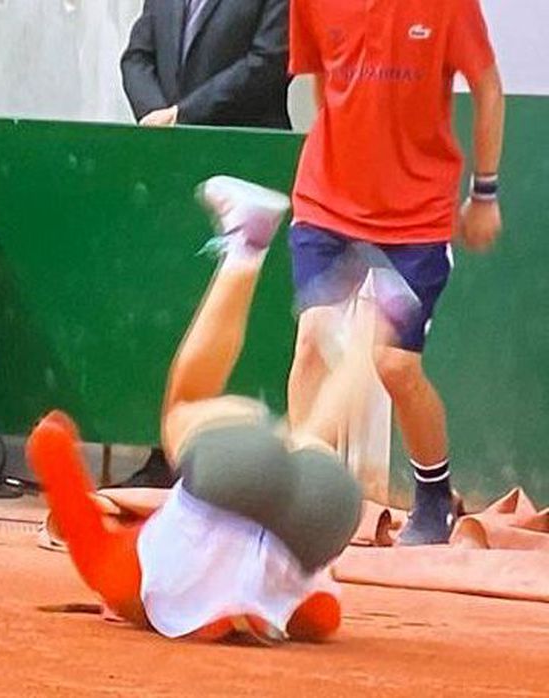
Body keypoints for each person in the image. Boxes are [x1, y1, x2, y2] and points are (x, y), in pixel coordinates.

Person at [26, 175, 411, 642]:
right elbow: (74, 509)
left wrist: (53, 447)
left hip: (317, 516)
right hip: (278, 503)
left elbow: (321, 616)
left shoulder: (119, 577)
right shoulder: (127, 567)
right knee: (193, 408)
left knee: (304, 438)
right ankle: (251, 248)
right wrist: (51, 446)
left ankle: (378, 316)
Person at [286, 0, 505, 544]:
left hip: (416, 216)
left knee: (393, 366)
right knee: (313, 339)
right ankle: (298, 501)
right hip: (325, 204)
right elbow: (323, 87)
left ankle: (434, 498)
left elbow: (488, 88)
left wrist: (485, 193)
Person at [120, 0, 291, 129]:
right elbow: (137, 57)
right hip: (167, 149)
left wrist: (183, 114)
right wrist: (156, 114)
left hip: (244, 147)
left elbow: (269, 62)